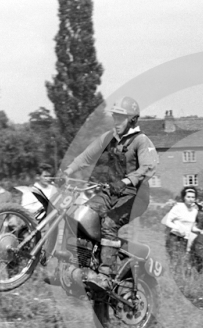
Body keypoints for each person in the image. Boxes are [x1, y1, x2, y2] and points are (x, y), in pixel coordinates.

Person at [62, 96, 158, 283]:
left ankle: (105, 274)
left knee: (109, 224)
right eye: (114, 117)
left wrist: (126, 181)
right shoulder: (109, 137)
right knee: (82, 215)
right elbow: (87, 155)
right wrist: (68, 170)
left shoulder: (141, 140)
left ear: (132, 120)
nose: (116, 122)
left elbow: (148, 167)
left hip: (135, 196)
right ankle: (80, 267)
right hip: (111, 192)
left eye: (120, 118)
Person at [161, 186, 202, 256]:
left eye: (193, 197)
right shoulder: (178, 207)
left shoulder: (195, 210)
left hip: (185, 240)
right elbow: (165, 221)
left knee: (181, 262)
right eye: (188, 197)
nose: (191, 199)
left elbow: (191, 227)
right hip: (174, 238)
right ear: (184, 198)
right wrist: (178, 228)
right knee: (174, 261)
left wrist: (200, 231)